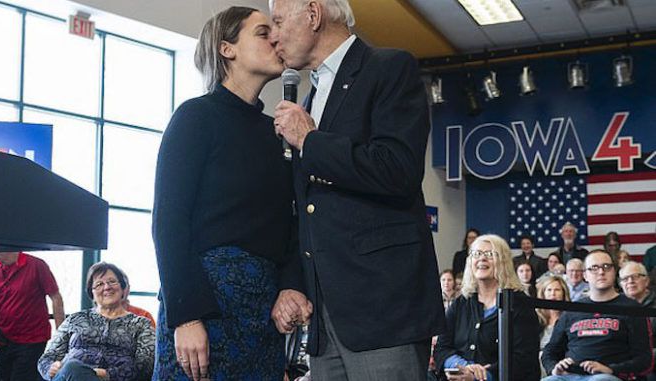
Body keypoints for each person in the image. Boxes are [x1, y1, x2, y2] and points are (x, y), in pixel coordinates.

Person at [269, 0, 446, 379]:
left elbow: (398, 169)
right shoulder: (310, 96)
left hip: (384, 312)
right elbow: (308, 209)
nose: (274, 36)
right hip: (324, 318)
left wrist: (311, 141)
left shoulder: (389, 68)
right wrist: (295, 283)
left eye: (279, 21)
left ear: (313, 15)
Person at [152, 7, 310, 381]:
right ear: (227, 49)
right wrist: (186, 315)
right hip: (203, 304)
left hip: (262, 308)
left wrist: (290, 285)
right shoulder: (195, 117)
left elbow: (292, 223)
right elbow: (169, 222)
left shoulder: (277, 132)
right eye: (261, 32)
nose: (276, 38)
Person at [434, 234, 541, 381]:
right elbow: (441, 348)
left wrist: (480, 376)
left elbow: (523, 359)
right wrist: (461, 366)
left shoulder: (520, 306)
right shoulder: (460, 304)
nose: (482, 258)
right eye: (477, 254)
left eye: (490, 254)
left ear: (503, 262)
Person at [541, 250, 653, 381]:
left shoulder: (632, 309)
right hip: (569, 375)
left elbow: (645, 360)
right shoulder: (572, 310)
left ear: (614, 272)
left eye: (606, 267)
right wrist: (554, 368)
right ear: (585, 275)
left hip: (609, 376)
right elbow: (549, 351)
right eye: (594, 268)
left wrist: (611, 369)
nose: (601, 272)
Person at [37, 262, 154, 381]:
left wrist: (107, 374)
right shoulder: (75, 319)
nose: (107, 287)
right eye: (99, 284)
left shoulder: (141, 324)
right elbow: (47, 358)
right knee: (72, 368)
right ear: (91, 293)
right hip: (69, 375)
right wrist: (51, 367)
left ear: (123, 288)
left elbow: (145, 366)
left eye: (112, 282)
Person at [0, 252, 64, 381]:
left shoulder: (36, 265)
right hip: (5, 337)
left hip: (32, 338)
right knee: (4, 377)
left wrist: (61, 334)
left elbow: (55, 297)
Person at [619, 261, 656, 381]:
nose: (630, 281)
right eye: (625, 279)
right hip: (619, 365)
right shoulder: (615, 308)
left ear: (646, 281)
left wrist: (641, 360)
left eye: (635, 277)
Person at [536, 275, 570, 353]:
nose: (553, 293)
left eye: (557, 290)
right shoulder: (536, 316)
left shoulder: (569, 317)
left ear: (563, 293)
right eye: (549, 290)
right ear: (543, 293)